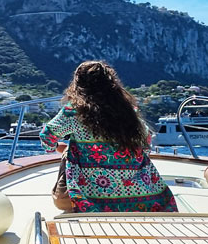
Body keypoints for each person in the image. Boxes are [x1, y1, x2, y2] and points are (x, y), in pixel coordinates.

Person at [40, 60, 177, 213]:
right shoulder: (128, 110)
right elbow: (146, 141)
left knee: (69, 151)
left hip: (91, 198)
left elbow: (47, 136)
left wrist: (58, 148)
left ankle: (71, 194)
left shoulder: (74, 111)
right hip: (139, 196)